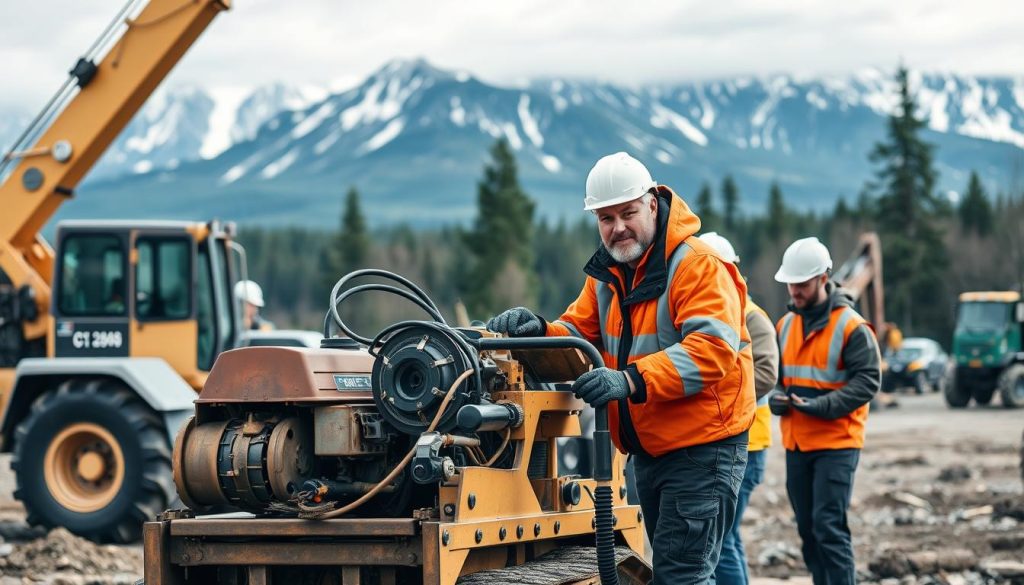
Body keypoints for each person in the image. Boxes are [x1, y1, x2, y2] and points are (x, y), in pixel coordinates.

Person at [487, 152, 755, 584]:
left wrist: (630, 379)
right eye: (606, 218)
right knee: (673, 571)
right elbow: (577, 334)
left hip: (703, 447)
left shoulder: (697, 266)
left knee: (681, 576)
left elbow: (712, 350)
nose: (618, 227)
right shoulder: (609, 276)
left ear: (652, 203)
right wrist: (538, 330)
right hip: (651, 449)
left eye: (627, 213)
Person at [767, 237, 881, 585]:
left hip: (837, 443)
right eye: (791, 283)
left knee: (829, 527)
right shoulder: (785, 325)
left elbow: (869, 382)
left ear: (824, 278)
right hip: (798, 444)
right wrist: (776, 397)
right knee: (808, 529)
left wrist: (822, 407)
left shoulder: (852, 327)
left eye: (802, 284)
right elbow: (778, 379)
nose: (795, 291)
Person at [699, 232, 779, 585]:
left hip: (748, 441)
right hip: (723, 437)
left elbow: (766, 373)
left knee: (722, 539)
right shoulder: (710, 311)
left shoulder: (752, 316)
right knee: (721, 539)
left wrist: (712, 397)